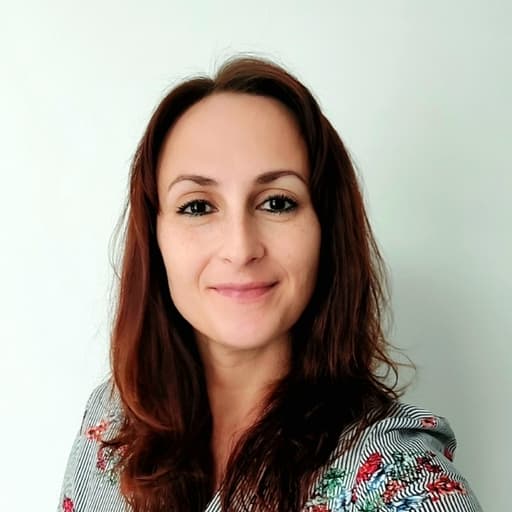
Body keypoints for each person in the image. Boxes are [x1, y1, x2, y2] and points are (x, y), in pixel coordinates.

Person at [57, 56, 483, 512]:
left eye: (277, 202)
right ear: (154, 236)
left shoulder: (403, 482)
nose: (240, 249)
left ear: (326, 230)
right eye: (198, 206)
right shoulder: (113, 424)